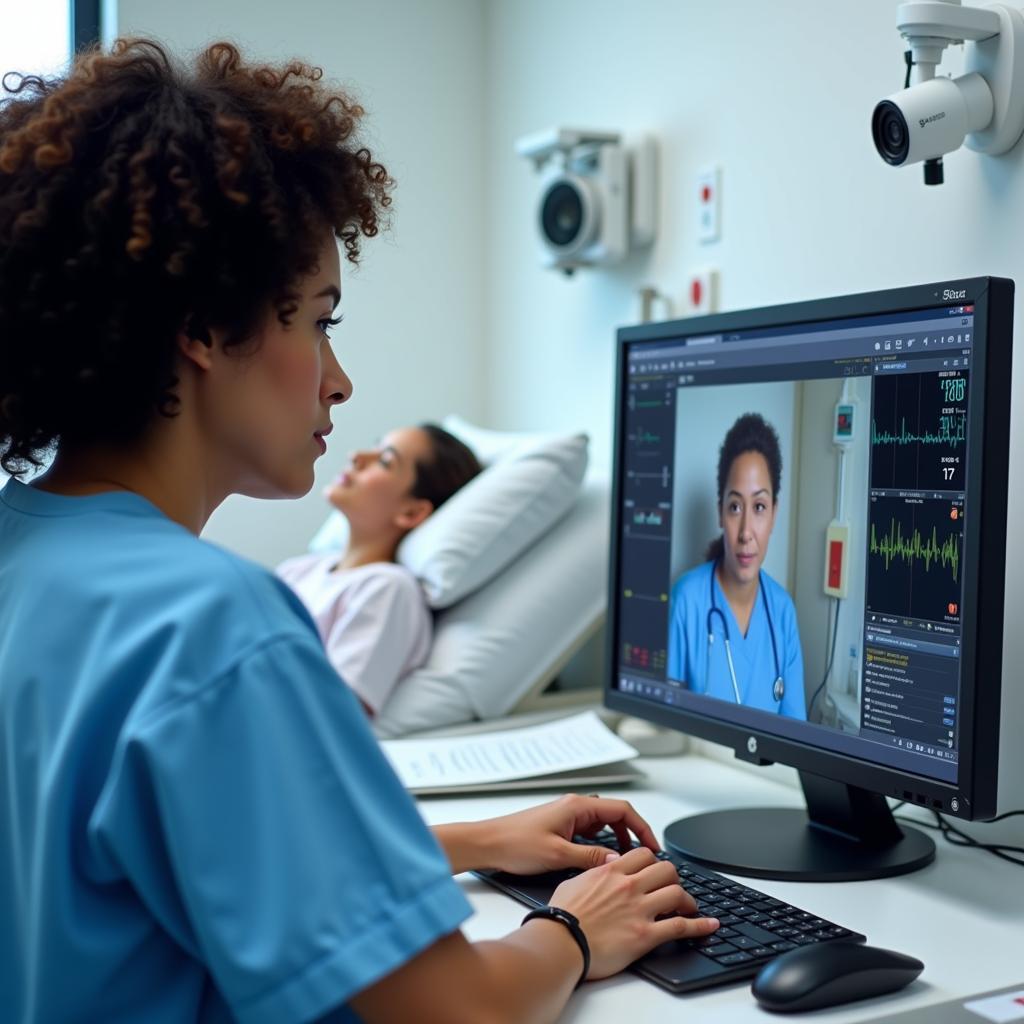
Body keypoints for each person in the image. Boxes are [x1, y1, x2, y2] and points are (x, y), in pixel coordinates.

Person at [0, 39, 719, 1024]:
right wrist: (573, 929)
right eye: (319, 321)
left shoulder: (28, 558)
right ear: (207, 328)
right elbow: (457, 1013)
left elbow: (153, 860)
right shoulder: (214, 628)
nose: (338, 380)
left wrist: (467, 843)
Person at [277, 423, 481, 716]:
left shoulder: (387, 588)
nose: (357, 456)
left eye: (385, 461)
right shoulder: (296, 572)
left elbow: (336, 712)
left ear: (411, 512)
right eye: (374, 448)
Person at [668, 413, 807, 719]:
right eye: (734, 507)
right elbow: (665, 725)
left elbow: (795, 735)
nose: (746, 532)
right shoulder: (685, 601)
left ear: (774, 513)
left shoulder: (782, 612)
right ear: (720, 513)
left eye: (758, 507)